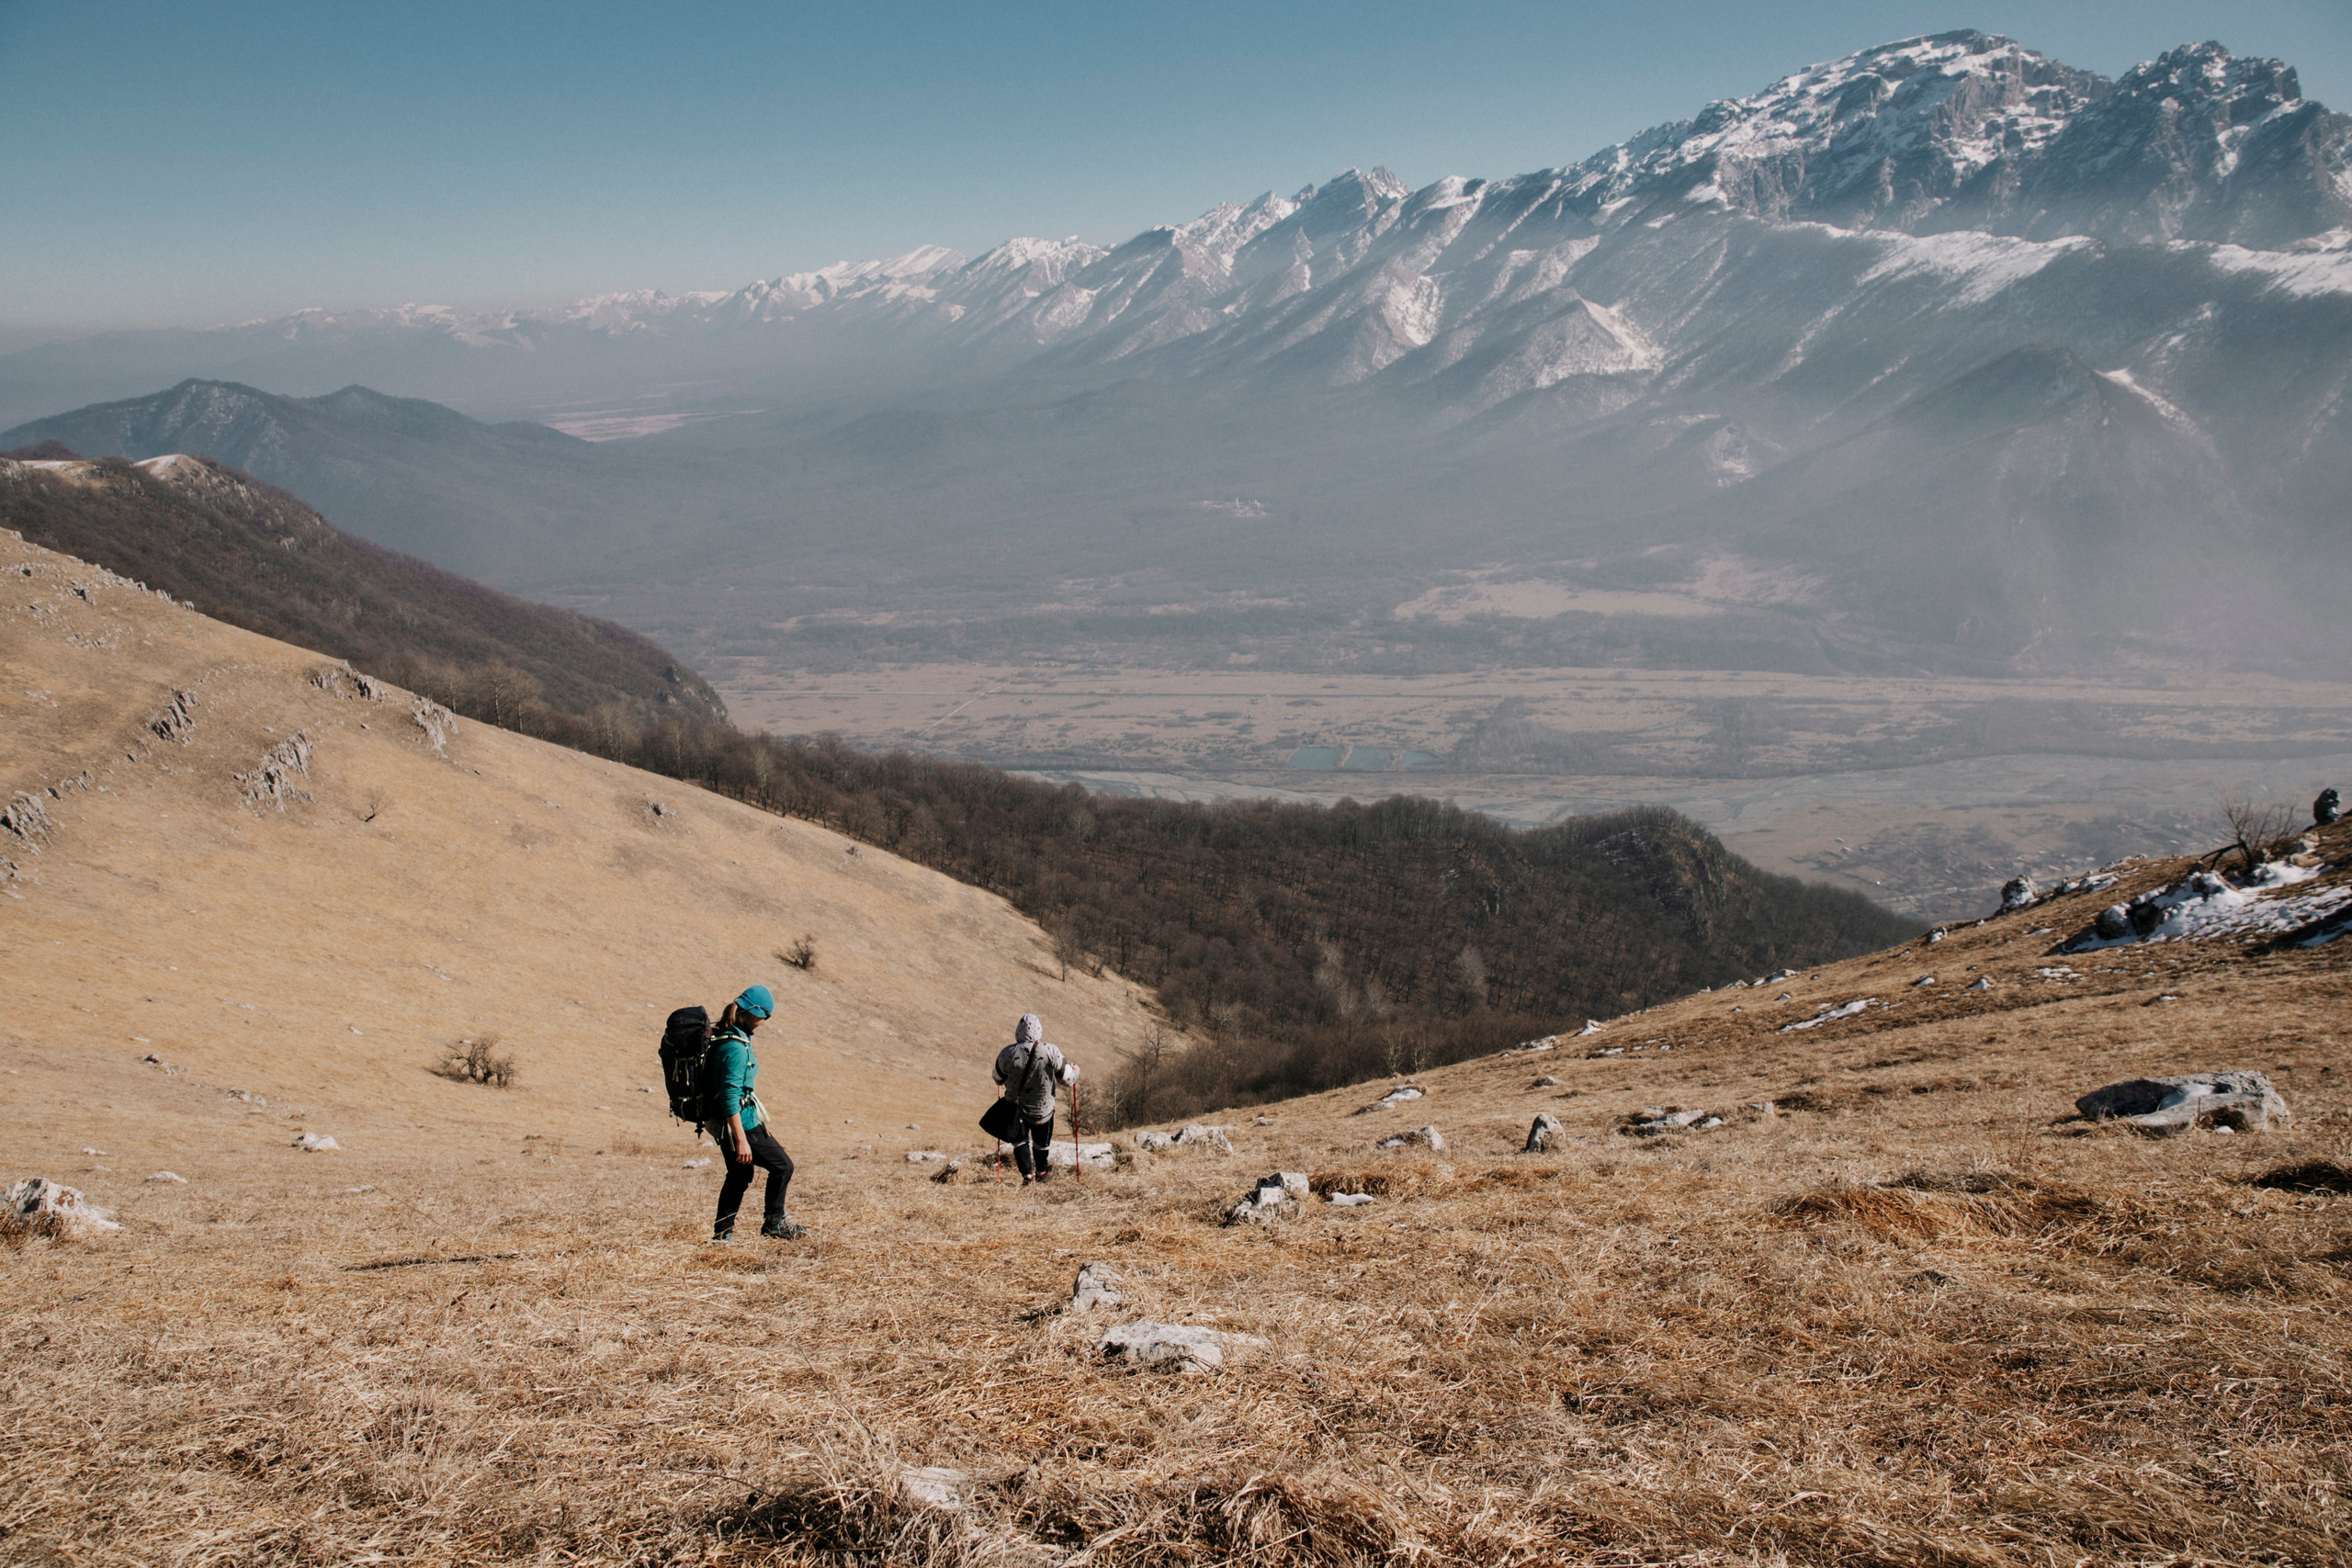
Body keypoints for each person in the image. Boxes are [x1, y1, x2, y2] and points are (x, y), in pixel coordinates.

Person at [706, 984, 803, 1242]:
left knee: (739, 1175)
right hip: (741, 1123)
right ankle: (774, 1224)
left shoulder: (727, 1036)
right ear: (752, 1012)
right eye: (765, 1016)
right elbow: (729, 1096)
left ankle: (722, 1234)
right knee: (782, 1167)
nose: (764, 1022)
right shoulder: (735, 1048)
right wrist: (741, 1140)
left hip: (728, 1121)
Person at [992, 1012, 1080, 1184]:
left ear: (1017, 1032)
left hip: (1014, 1108)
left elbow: (997, 1078)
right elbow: (1067, 1079)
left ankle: (1026, 1176)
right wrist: (1076, 1071)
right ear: (1039, 1031)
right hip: (1042, 1108)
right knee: (1041, 1142)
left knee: (1019, 1141)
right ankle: (1042, 1171)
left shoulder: (1006, 1053)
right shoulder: (1050, 1051)